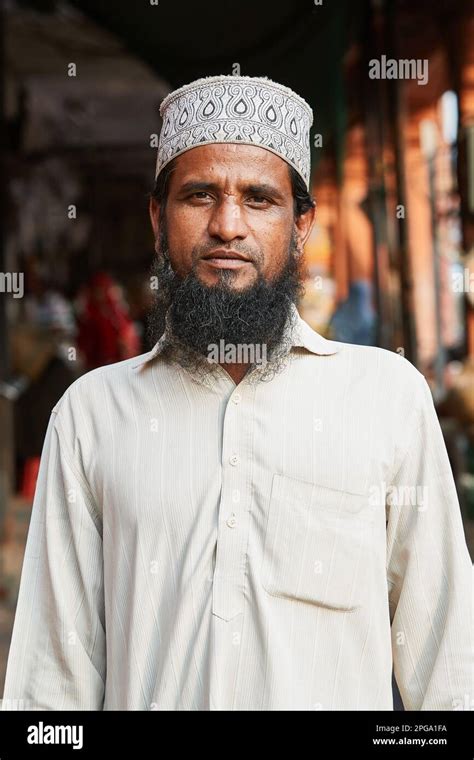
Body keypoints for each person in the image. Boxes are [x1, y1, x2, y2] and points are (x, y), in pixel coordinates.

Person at [2, 75, 472, 711]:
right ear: (158, 220)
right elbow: (50, 688)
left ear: (302, 224)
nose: (228, 225)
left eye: (259, 199)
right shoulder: (91, 416)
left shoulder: (388, 401)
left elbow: (450, 672)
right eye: (199, 195)